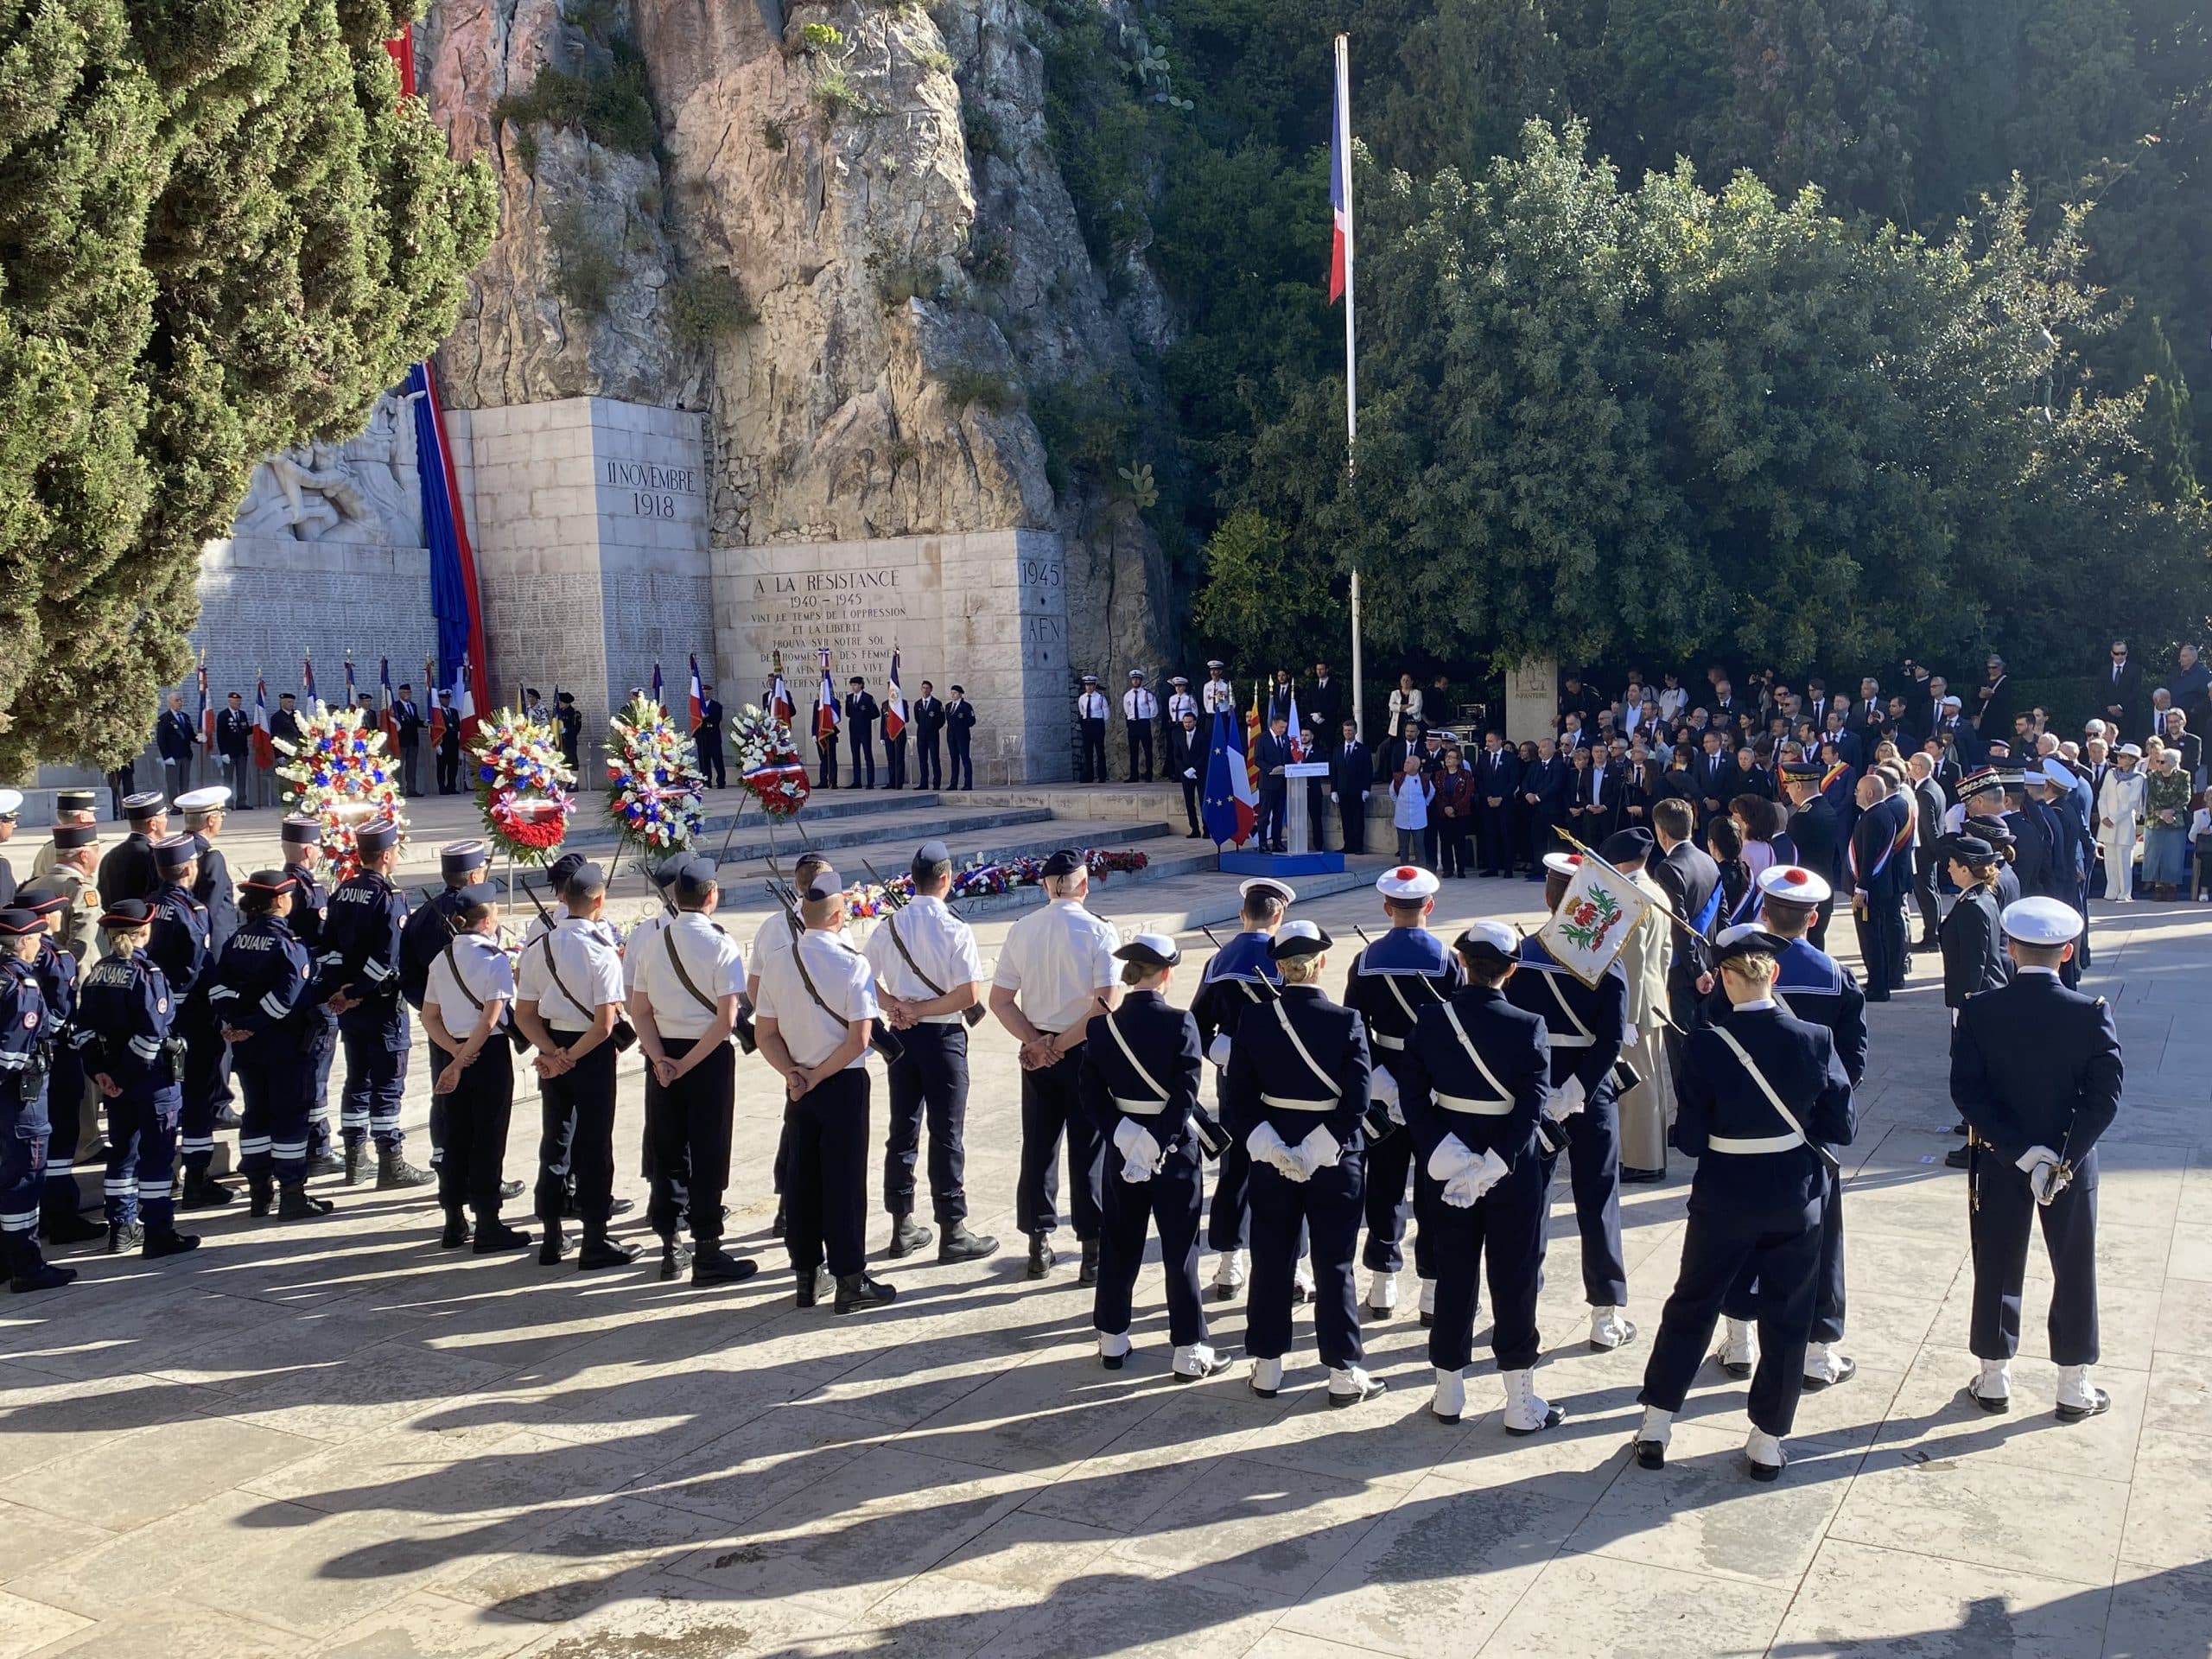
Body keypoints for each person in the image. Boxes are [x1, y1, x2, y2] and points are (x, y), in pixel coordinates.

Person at [1633, 925, 1855, 1480]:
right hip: (1793, 1196)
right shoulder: (1815, 1038)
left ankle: (1657, 1424)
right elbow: (1842, 1127)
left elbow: (1689, 1139)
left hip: (1725, 1194)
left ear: (1725, 980)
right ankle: (1767, 1440)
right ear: (1774, 975)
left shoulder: (1706, 1044)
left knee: (1693, 1304)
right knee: (1788, 1314)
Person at [1953, 897, 2120, 1420]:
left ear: (2009, 948)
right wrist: (2062, 1158)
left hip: (2003, 1161)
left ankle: (1994, 1376)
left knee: (1998, 1260)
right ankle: (2073, 1384)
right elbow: (2104, 1098)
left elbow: (1968, 1094)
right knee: (2073, 1264)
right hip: (2071, 1162)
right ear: (2067, 952)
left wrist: (2024, 1154)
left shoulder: (1980, 1010)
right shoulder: (2091, 1014)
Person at [1394, 920, 1560, 1429]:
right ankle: (1519, 1400)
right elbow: (1531, 1106)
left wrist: (1443, 1150)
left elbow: (1412, 1096)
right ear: (1511, 970)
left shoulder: (1431, 1018)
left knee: (1453, 1276)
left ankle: (1448, 1393)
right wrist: (1496, 1160)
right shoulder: (1529, 1024)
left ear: (1463, 963)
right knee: (1514, 1279)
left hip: (1446, 1164)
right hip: (1511, 1170)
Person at [1710, 871, 1866, 1392]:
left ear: (1763, 911)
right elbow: (1851, 1062)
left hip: (1741, 1135)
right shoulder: (1838, 977)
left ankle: (1739, 1340)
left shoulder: (1733, 972)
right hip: (1807, 1138)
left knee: (1736, 1239)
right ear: (1814, 918)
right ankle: (1818, 1351)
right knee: (1820, 1244)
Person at [1222, 921, 1385, 1405]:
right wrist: (1320, 1145)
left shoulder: (1253, 1020)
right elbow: (1357, 1099)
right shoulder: (1347, 1020)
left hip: (1272, 1154)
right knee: (1333, 1263)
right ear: (1322, 964)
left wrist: (1272, 1145)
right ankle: (1342, 1372)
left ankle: (1267, 1367)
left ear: (1280, 968)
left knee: (1271, 1258)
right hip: (1334, 1158)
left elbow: (1237, 1099)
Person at [1080, 933, 1230, 1380]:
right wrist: (1158, 1141)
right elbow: (1185, 1095)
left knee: (1119, 1242)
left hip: (1122, 1149)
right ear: (1166, 972)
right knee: (1180, 1248)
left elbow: (1091, 1095)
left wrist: (1127, 1136)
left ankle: (1112, 1340)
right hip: (1173, 1152)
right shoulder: (1181, 1022)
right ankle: (1188, 1349)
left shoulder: (1100, 1026)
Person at [754, 866, 896, 1311]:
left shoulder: (778, 962)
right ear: (838, 916)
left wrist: (793, 1073)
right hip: (840, 1082)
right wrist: (815, 1075)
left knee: (803, 1180)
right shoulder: (852, 964)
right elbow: (858, 1038)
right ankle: (850, 1279)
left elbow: (765, 1035)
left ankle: (806, 1275)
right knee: (844, 1182)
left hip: (798, 1084)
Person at [1512, 855, 1635, 1351]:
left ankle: (1522, 1301)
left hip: (1535, 1089)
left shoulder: (1518, 953)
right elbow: (1611, 1039)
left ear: (1548, 897)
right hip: (1591, 1086)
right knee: (1598, 1194)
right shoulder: (1606, 957)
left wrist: (1544, 1090)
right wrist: (1579, 1089)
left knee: (1530, 1201)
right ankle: (1604, 1313)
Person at [861, 841, 999, 1264]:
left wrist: (896, 1009)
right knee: (946, 1134)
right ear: (946, 879)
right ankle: (952, 1228)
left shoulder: (890, 926)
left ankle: (902, 1224)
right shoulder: (955, 928)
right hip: (942, 1038)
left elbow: (863, 979)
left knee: (902, 1130)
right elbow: (968, 994)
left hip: (903, 1038)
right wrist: (918, 1010)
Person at [991, 849, 1119, 1282]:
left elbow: (1000, 1001)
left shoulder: (1023, 929)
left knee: (1039, 1147)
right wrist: (1060, 1045)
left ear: (1046, 886)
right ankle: (1092, 1250)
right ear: (1084, 885)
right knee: (1090, 1151)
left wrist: (1037, 1044)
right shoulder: (1100, 932)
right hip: (1081, 1047)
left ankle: (1038, 1244)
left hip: (1038, 1048)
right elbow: (1106, 1003)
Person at [629, 857, 758, 1285]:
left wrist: (660, 1058)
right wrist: (684, 1063)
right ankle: (707, 1249)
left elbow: (639, 1011)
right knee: (707, 1150)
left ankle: (670, 1245)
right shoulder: (721, 945)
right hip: (705, 1057)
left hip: (662, 1055)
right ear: (711, 896)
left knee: (668, 1149)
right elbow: (726, 1019)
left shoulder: (652, 942)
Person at [1344, 867, 1463, 1325]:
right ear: (1429, 907)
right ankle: (1431, 1287)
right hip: (1436, 1084)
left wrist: (1379, 1077)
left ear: (1387, 907)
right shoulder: (1450, 961)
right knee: (1434, 1183)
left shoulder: (1366, 960)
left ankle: (1382, 1280)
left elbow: (1355, 1029)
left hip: (1386, 1073)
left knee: (1386, 1181)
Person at [515, 860, 639, 1271]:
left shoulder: (539, 946)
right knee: (593, 1145)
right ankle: (594, 1239)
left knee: (555, 1141)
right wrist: (570, 1057)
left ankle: (551, 1236)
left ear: (563, 899)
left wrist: (552, 1053)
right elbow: (605, 1025)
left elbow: (525, 1015)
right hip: (589, 1051)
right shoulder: (600, 951)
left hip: (554, 1047)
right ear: (598, 901)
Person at [76, 899, 199, 1258]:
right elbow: (150, 1036)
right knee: (157, 1157)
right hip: (150, 1080)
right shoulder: (149, 975)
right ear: (144, 931)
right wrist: (123, 1076)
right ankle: (159, 1231)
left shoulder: (98, 971)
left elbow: (83, 1030)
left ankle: (121, 1227)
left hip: (114, 1081)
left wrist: (102, 1074)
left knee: (122, 1155)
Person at [1192, 877, 1296, 1302]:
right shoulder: (1289, 958)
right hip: (1285, 1082)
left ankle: (1228, 1263)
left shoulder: (1218, 961)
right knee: (1288, 1170)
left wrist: (1226, 1051)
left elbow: (1196, 1026)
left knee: (1234, 1170)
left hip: (1233, 1077)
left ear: (1243, 915)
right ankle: (1294, 1267)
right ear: (1279, 915)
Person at [207, 871, 332, 1222]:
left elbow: (218, 988)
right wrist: (250, 1025)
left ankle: (260, 1192)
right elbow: (286, 999)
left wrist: (235, 1023)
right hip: (287, 1046)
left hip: (248, 1048)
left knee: (257, 1116)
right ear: (280, 901)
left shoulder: (237, 940)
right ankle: (293, 1194)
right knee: (291, 1118)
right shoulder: (289, 944)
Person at [319, 817, 432, 1189]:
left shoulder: (342, 891)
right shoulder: (390, 897)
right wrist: (355, 991)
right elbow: (386, 960)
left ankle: (355, 1159)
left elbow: (330, 950)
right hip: (379, 1005)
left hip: (348, 1006)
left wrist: (341, 991)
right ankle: (390, 1160)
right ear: (386, 856)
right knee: (386, 1083)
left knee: (357, 1079)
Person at [399, 838, 495, 1178]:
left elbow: (407, 973)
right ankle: (478, 1176)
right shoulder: (475, 914)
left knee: (446, 1095)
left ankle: (446, 1161)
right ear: (473, 877)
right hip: (475, 1029)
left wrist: (433, 1014)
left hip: (440, 1025)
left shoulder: (421, 914)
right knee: (480, 1107)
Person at [144, 833, 227, 1211]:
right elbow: (197, 967)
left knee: (160, 1101)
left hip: (149, 1018)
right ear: (190, 868)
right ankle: (196, 1178)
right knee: (197, 1099)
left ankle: (162, 1178)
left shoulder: (145, 907)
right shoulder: (192, 911)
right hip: (190, 1018)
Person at [0, 906, 73, 1292]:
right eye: (35, 939)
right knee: (24, 1181)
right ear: (25, 942)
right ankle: (27, 1267)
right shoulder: (23, 987)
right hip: (21, 1102)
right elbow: (10, 1056)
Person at [1600, 828, 1675, 1185]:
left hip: (1636, 1003)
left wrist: (1626, 1016)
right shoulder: (1655, 890)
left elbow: (1633, 958)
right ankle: (1652, 1153)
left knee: (1636, 1085)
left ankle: (1643, 1160)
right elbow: (1663, 954)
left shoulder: (1629, 895)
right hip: (1655, 997)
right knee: (1653, 1082)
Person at [1847, 771, 1912, 1000]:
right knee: (1875, 936)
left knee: (1871, 938)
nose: (1855, 795)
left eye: (1858, 791)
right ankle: (1878, 980)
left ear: (1870, 793)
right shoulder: (1880, 813)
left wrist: (1861, 889)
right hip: (1878, 887)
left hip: (1871, 889)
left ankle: (1878, 986)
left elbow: (1869, 858)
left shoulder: (1874, 817)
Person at [97, 792, 168, 906]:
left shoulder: (110, 855)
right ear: (153, 824)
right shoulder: (155, 857)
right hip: (143, 922)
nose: (166, 821)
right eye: (164, 817)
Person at [2141, 746, 2192, 899]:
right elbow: (2149, 798)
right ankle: (2158, 886)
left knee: (2173, 854)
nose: (2159, 764)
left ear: (2172, 763)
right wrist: (2161, 813)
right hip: (2155, 819)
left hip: (2175, 820)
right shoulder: (2151, 776)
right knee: (2155, 853)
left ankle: (2171, 886)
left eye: (2162, 761)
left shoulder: (2184, 775)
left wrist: (2172, 811)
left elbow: (2185, 797)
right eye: (2158, 761)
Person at [1474, 731, 1522, 876]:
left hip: (1505, 803)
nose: (1488, 744)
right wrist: (1487, 796)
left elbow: (1514, 780)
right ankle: (1492, 867)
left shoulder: (1511, 758)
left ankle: (1508, 868)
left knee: (1506, 835)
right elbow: (1479, 779)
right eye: (1487, 741)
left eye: (1491, 741)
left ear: (1499, 741)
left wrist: (1501, 797)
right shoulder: (1483, 758)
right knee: (1490, 835)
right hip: (1488, 803)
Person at [1519, 738, 1567, 879]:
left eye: (1544, 747)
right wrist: (1527, 794)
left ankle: (1555, 871)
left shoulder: (1559, 765)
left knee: (1554, 842)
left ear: (1553, 749)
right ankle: (1539, 868)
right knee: (1537, 840)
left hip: (1552, 810)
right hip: (1536, 811)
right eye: (1539, 747)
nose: (1540, 750)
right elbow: (1526, 781)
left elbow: (1556, 785)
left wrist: (1539, 797)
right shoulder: (1535, 765)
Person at [1330, 717, 1373, 855]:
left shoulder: (1363, 750)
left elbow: (1368, 771)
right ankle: (1347, 845)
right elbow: (1334, 771)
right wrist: (1333, 790)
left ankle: (1358, 847)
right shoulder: (1337, 750)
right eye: (1345, 730)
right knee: (1346, 820)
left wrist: (1366, 789)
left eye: (1350, 730)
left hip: (1357, 791)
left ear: (1355, 731)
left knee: (1358, 820)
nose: (1347, 733)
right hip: (1342, 791)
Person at [1254, 712, 1294, 852]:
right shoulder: (1262, 739)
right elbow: (1257, 759)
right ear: (1274, 724)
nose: (1283, 730)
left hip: (1282, 783)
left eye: (1285, 728)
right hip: (1268, 783)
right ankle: (1263, 842)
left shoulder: (1285, 739)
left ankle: (1277, 842)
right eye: (1281, 727)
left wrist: (1294, 769)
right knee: (1264, 815)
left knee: (1278, 814)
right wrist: (1271, 769)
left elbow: (1288, 758)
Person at [1433, 746, 1474, 877]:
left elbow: (1468, 794)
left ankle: (1461, 868)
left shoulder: (1465, 775)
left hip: (1460, 813)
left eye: (1451, 757)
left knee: (1459, 841)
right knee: (1445, 841)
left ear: (1458, 760)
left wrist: (1454, 808)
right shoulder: (1439, 775)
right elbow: (1437, 794)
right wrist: (1445, 807)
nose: (1448, 760)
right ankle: (1448, 868)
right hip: (1443, 813)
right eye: (1447, 757)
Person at [214, 692, 255, 808]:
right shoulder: (223, 715)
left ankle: (241, 802)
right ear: (230, 701)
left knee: (242, 778)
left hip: (242, 752)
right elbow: (220, 736)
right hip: (229, 753)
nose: (238, 704)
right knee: (228, 779)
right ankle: (228, 802)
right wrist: (223, 752)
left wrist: (256, 727)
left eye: (239, 702)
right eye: (236, 702)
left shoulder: (242, 714)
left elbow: (245, 731)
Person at [2101, 640, 2145, 741]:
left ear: (2127, 653)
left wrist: (2120, 707)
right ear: (2112, 653)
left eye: (2123, 653)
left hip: (2128, 715)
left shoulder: (2135, 669)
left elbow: (2135, 691)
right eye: (2117, 653)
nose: (2120, 656)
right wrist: (2110, 708)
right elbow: (2100, 692)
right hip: (2108, 716)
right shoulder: (2104, 670)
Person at [1173, 709, 1206, 837]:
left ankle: (1206, 829)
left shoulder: (1202, 736)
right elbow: (1177, 756)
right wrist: (1185, 770)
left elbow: (1204, 755)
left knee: (1203, 801)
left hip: (1200, 773)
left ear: (1195, 722)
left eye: (1189, 722)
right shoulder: (1178, 736)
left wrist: (1194, 769)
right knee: (1189, 802)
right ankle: (1195, 829)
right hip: (1186, 774)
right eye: (1185, 722)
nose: (1187, 724)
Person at [155, 690, 197, 792]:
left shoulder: (185, 717)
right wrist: (167, 756)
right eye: (177, 700)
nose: (180, 702)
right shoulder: (164, 718)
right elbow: (161, 739)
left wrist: (199, 739)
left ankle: (185, 806)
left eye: (181, 700)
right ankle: (174, 806)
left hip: (186, 755)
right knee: (173, 783)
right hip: (173, 757)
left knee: (185, 783)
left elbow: (190, 734)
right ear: (170, 702)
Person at [1122, 670, 1157, 783]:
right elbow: (1127, 710)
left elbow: (1154, 709)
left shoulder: (1147, 694)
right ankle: (1134, 775)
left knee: (1147, 749)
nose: (1135, 681)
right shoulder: (1128, 695)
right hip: (1133, 723)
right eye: (1133, 679)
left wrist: (1147, 717)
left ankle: (1149, 774)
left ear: (1141, 680)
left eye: (1137, 679)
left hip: (1143, 722)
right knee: (1133, 750)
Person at [1074, 674, 1108, 784]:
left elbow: (1106, 713)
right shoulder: (1082, 698)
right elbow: (1082, 711)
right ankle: (1089, 775)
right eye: (1087, 685)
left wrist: (1101, 723)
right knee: (1088, 751)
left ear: (1094, 686)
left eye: (1091, 685)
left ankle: (1102, 775)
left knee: (1099, 751)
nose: (1089, 687)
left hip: (1097, 723)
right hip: (1087, 724)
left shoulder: (1100, 698)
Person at [912, 681, 945, 791]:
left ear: (931, 689)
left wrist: (933, 728)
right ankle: (924, 783)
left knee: (934, 759)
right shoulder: (918, 704)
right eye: (923, 688)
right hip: (922, 735)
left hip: (933, 736)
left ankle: (936, 783)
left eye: (927, 688)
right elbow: (918, 719)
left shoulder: (936, 704)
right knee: (922, 760)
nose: (925, 690)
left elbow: (941, 720)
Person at [392, 683, 424, 795]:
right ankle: (399, 789)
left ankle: (411, 789)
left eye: (409, 693)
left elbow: (415, 721)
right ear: (400, 693)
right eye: (405, 692)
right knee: (399, 767)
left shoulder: (413, 706)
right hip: (401, 741)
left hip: (413, 740)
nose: (407, 695)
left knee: (412, 766)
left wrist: (425, 723)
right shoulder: (395, 706)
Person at [695, 684, 727, 789]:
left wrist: (705, 722)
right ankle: (706, 781)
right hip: (702, 737)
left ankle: (721, 781)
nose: (705, 694)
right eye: (703, 693)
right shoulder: (697, 706)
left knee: (717, 760)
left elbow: (716, 721)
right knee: (704, 761)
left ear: (710, 693)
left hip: (713, 736)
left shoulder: (716, 706)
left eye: (707, 692)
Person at [944, 684, 976, 790]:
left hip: (962, 736)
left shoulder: (966, 706)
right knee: (954, 759)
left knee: (965, 759)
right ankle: (953, 783)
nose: (953, 695)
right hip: (951, 736)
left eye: (955, 693)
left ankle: (968, 783)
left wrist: (962, 726)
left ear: (960, 694)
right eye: (952, 692)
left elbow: (972, 721)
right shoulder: (948, 706)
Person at [1386, 674, 1423, 739]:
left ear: (1412, 682)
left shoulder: (1417, 693)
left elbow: (1417, 707)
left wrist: (1401, 708)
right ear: (1400, 681)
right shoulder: (1395, 693)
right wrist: (1408, 706)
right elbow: (1391, 706)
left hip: (1412, 720)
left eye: (1408, 680)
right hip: (1398, 723)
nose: (1405, 682)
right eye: (1403, 680)